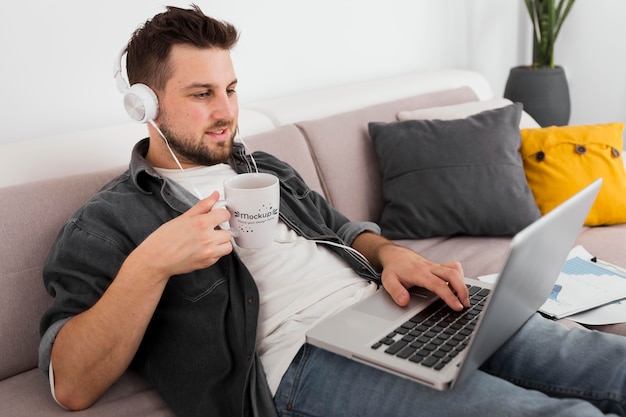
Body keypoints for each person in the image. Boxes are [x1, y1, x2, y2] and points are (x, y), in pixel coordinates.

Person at [39, 5, 626, 417]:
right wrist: (150, 266)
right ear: (144, 104)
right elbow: (72, 385)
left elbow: (341, 230)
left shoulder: (263, 166)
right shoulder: (107, 223)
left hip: (399, 312)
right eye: (201, 94)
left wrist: (392, 253)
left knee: (610, 363)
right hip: (304, 363)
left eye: (231, 88)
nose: (226, 111)